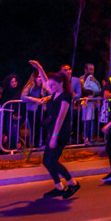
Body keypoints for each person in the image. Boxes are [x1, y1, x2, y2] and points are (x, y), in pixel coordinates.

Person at [29, 60, 79, 199]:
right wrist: (39, 67)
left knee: (52, 160)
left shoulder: (66, 96)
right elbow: (45, 81)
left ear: (61, 84)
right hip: (53, 130)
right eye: (50, 84)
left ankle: (72, 183)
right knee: (47, 161)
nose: (49, 86)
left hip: (60, 131)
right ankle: (59, 186)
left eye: (53, 84)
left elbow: (61, 117)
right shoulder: (55, 93)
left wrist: (54, 136)